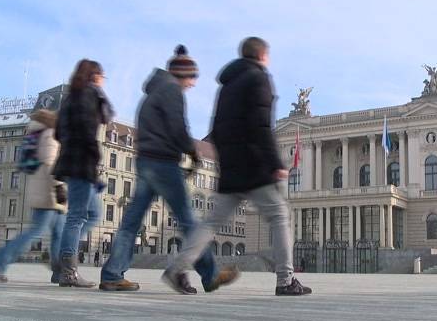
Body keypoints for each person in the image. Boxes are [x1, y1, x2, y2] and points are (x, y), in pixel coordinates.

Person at [100, 45, 238, 293]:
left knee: (131, 222)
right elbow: (178, 126)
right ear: (182, 75)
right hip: (163, 162)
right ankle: (210, 274)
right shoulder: (172, 90)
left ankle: (112, 274)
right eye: (192, 78)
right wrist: (193, 152)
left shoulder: (151, 93)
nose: (193, 84)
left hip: (146, 161)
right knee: (188, 220)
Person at [208, 37, 311, 295]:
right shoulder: (258, 78)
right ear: (262, 55)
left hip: (231, 167)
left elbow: (216, 129)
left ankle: (177, 266)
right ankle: (285, 280)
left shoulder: (226, 85)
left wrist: (225, 159)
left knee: (211, 222)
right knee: (280, 216)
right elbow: (262, 127)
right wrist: (275, 163)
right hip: (253, 167)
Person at [0, 109, 67, 284]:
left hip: (43, 193)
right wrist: (59, 186)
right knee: (34, 232)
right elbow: (50, 163)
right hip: (49, 195)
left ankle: (59, 272)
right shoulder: (50, 134)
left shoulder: (37, 134)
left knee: (58, 234)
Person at [53, 59, 112, 288]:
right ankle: (67, 271)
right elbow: (89, 131)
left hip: (71, 161)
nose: (103, 80)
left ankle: (63, 265)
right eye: (102, 76)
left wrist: (70, 144)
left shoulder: (70, 97)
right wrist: (94, 156)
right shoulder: (88, 94)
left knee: (88, 213)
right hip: (82, 163)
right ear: (94, 75)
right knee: (77, 217)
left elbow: (58, 132)